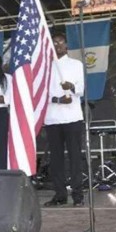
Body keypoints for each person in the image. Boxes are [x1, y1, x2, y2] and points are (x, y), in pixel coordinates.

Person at [43, 33, 85, 207]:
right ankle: (60, 195)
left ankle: (78, 196)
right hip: (52, 118)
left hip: (72, 117)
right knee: (56, 160)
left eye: (61, 43)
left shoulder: (76, 64)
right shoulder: (45, 67)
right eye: (54, 43)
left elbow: (81, 90)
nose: (58, 46)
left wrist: (71, 87)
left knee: (75, 158)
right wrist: (58, 100)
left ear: (66, 46)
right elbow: (41, 94)